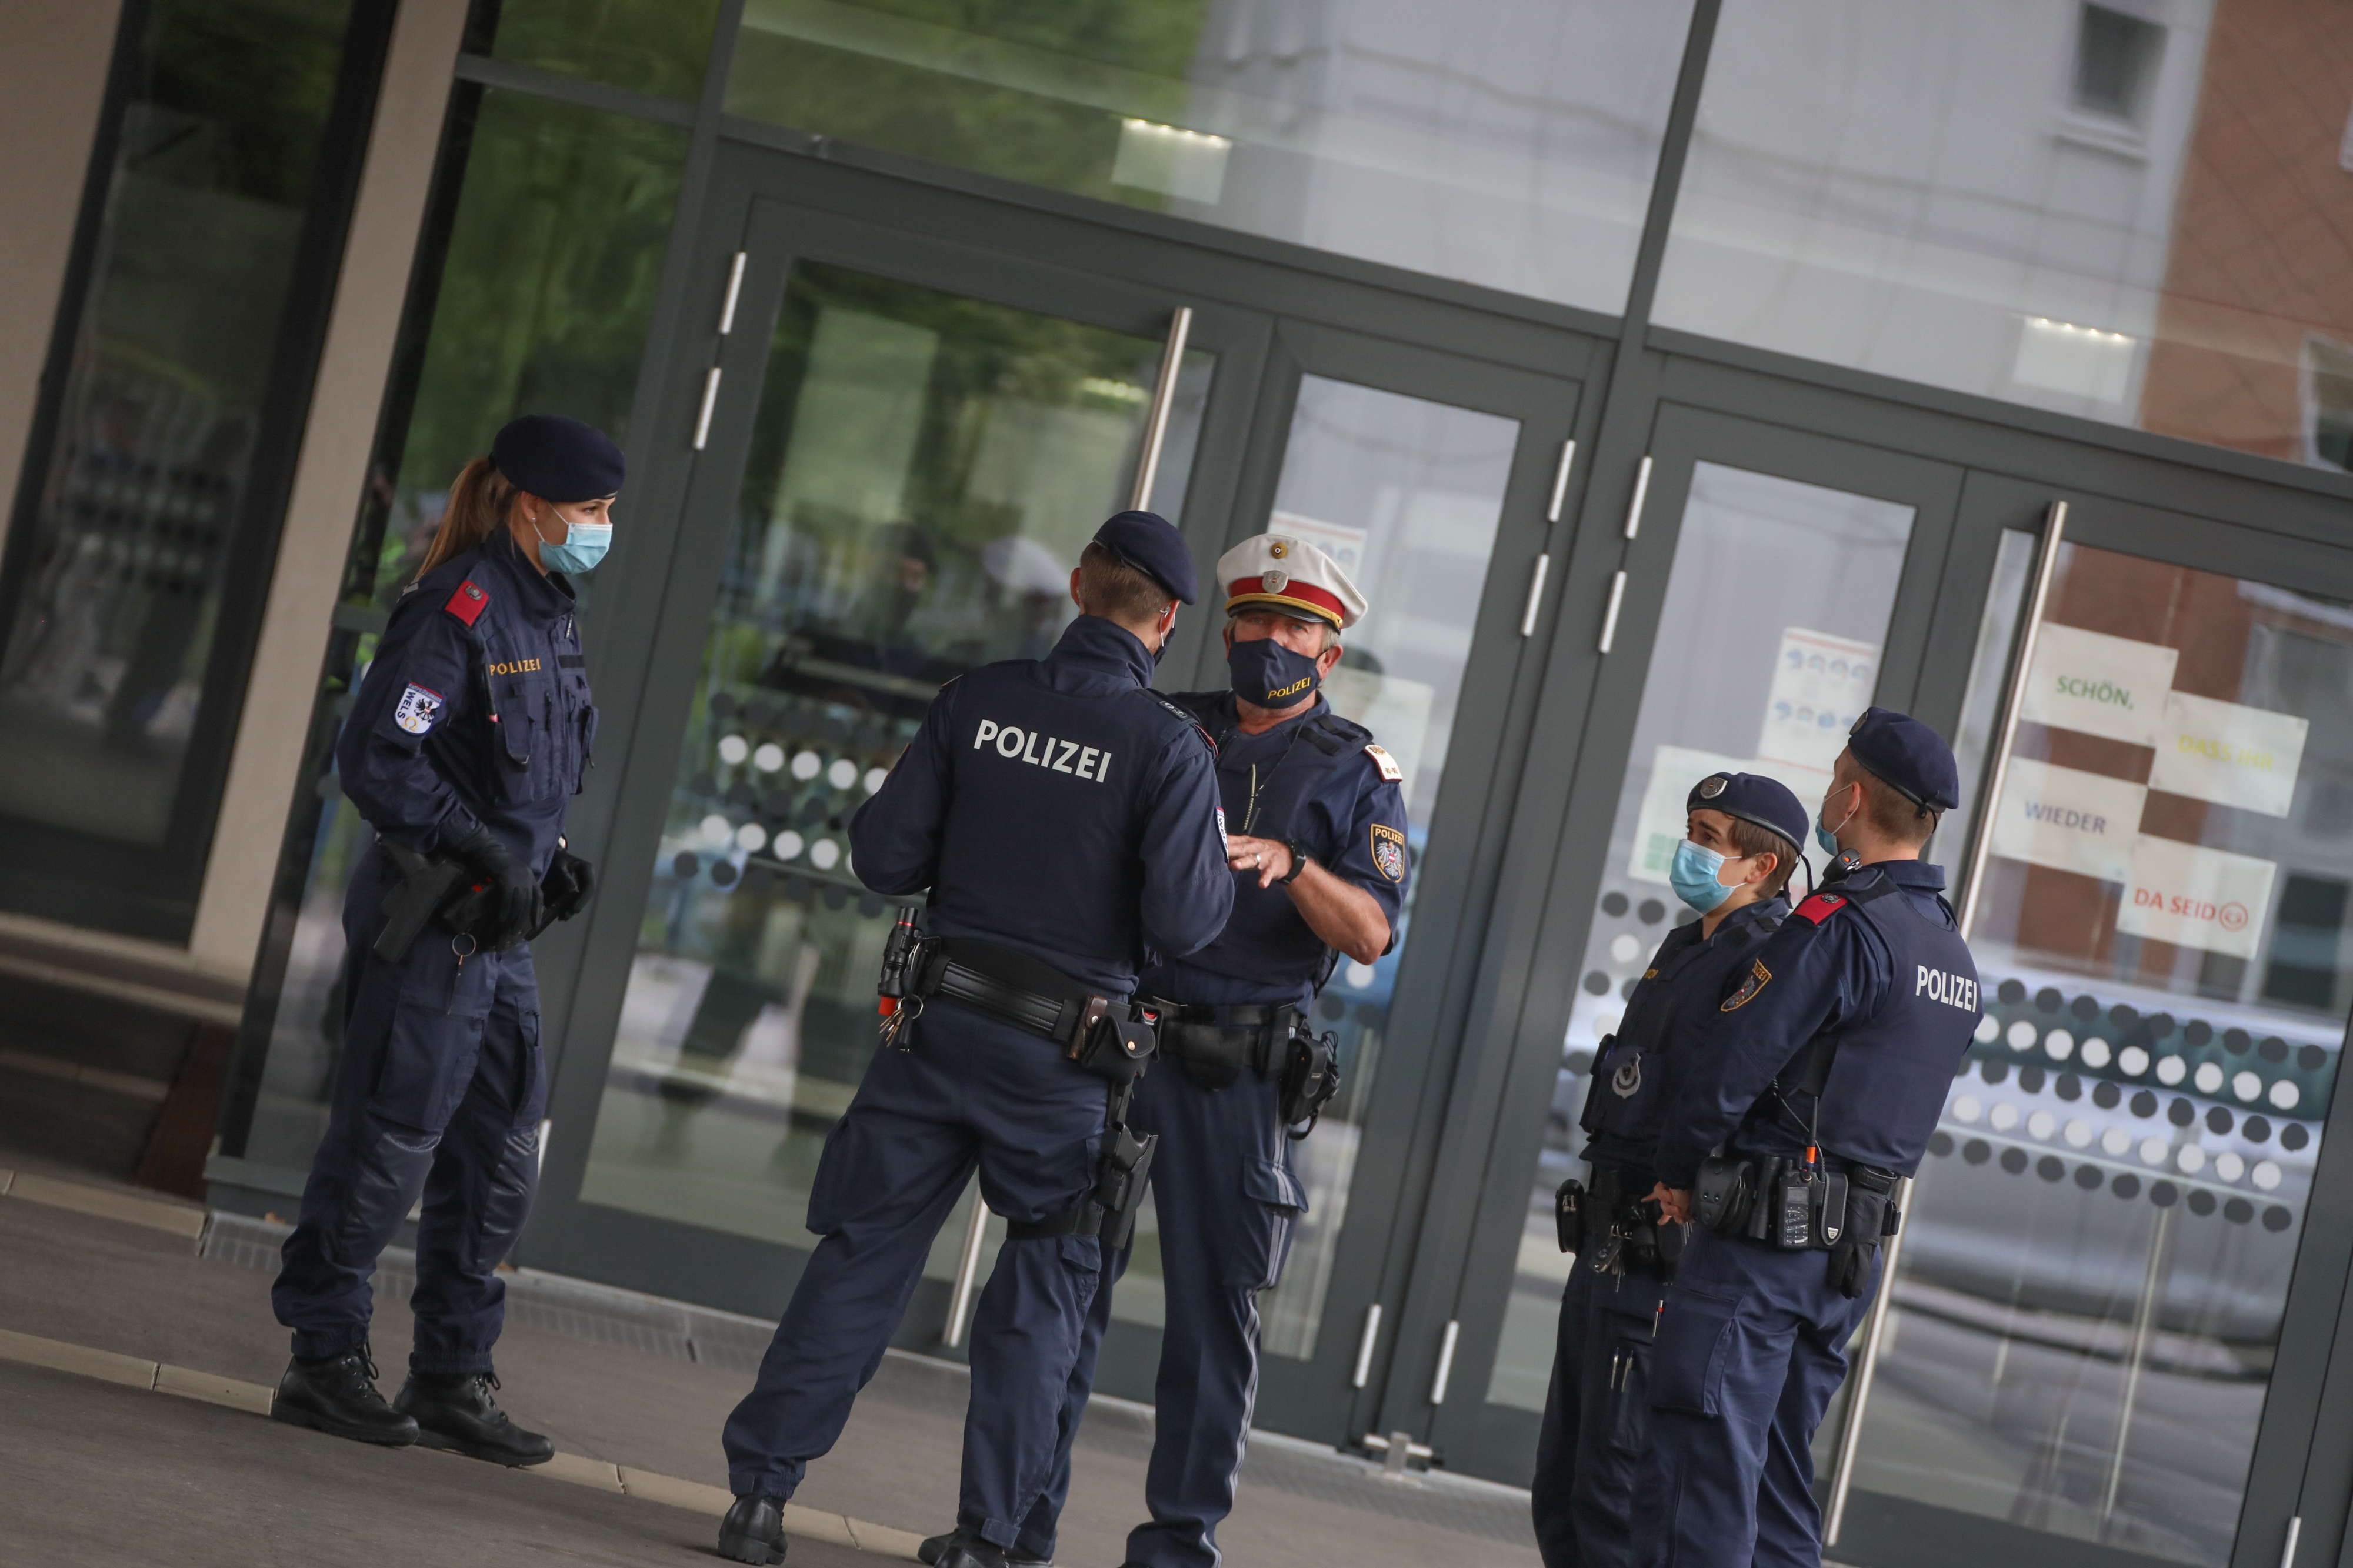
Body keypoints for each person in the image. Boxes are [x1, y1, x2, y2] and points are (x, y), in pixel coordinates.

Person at [715, 511, 1236, 1568]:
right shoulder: (1171, 749)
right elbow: (1188, 925)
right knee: (1042, 1292)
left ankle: (759, 1502)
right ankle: (984, 1538)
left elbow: (881, 854)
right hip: (1065, 1063)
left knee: (861, 1260)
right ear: (1170, 619)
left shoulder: (977, 701)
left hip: (937, 1029)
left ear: (1083, 585)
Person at [920, 532, 1413, 1568]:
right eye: (1257, 620)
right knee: (1063, 1289)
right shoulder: (1159, 726)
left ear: (1329, 653)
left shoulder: (1354, 771)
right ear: (1223, 626)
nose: (1271, 640)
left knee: (1210, 1319)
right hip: (1112, 1046)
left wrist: (1293, 866)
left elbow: (1370, 934)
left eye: (1297, 627)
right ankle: (1010, 1529)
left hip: (1233, 1073)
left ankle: (1177, 1544)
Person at [269, 413, 616, 1464]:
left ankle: (453, 1369)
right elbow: (380, 758)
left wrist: (540, 853)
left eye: (607, 511)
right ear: (528, 505)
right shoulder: (459, 605)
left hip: (497, 933)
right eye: (590, 511)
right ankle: (323, 1358)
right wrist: (480, 844)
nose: (603, 528)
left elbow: (521, 765)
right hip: (434, 918)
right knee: (391, 1140)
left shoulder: (547, 610)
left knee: (503, 1147)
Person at [1631, 710, 1981, 1568]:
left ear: (1854, 794)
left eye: (1835, 774)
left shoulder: (1841, 923)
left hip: (1760, 1248)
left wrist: (1680, 1170)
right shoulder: (1950, 953)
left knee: (1697, 1477)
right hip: (1844, 1260)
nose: (1829, 788)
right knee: (1777, 1491)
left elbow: (1734, 1060)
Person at [1532, 772, 1808, 1568]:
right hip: (1607, 1241)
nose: (1690, 849)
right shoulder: (1688, 944)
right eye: (1691, 829)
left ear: (1762, 866)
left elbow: (1728, 1102)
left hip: (1661, 1253)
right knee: (1564, 1486)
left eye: (1709, 838)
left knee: (1614, 1495)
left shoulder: (1763, 959)